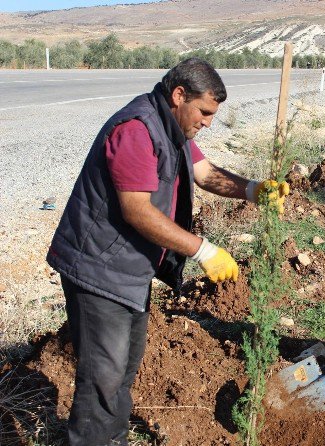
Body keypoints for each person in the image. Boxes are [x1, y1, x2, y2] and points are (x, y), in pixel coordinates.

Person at [46, 57, 289, 446]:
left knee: (123, 370)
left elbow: (205, 173)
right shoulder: (137, 130)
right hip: (97, 268)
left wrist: (253, 189)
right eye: (205, 111)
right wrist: (204, 250)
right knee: (101, 380)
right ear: (179, 95)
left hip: (129, 269)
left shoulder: (171, 127)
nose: (208, 122)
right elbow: (136, 209)